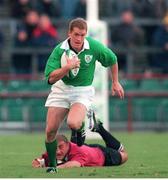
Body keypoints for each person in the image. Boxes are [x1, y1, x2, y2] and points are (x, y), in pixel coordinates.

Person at [44, 17, 124, 173]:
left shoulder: (93, 46)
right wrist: (67, 67)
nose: (79, 38)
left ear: (86, 34)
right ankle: (53, 166)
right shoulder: (59, 50)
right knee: (50, 131)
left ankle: (80, 127)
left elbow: (112, 59)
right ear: (69, 33)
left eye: (82, 35)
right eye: (76, 35)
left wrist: (115, 82)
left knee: (73, 123)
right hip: (61, 89)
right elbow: (50, 78)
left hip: (82, 91)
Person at [32, 112, 128, 169]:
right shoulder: (53, 150)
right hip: (85, 148)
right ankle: (77, 124)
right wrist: (39, 162)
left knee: (124, 155)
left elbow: (74, 164)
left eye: (60, 147)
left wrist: (55, 168)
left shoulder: (77, 153)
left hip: (103, 155)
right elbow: (38, 160)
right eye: (55, 148)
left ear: (67, 144)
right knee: (76, 143)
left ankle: (99, 128)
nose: (58, 151)